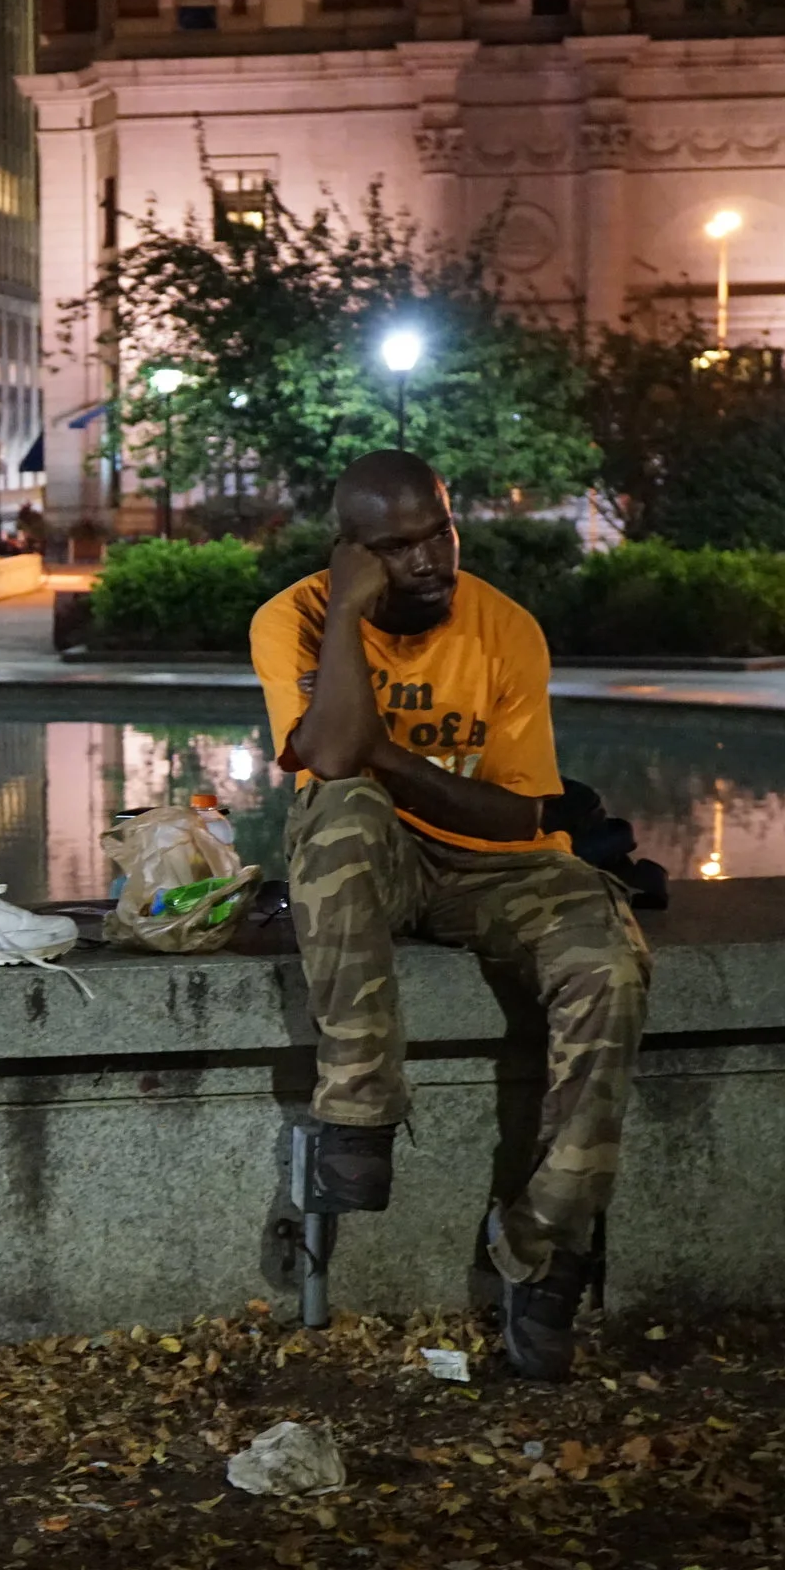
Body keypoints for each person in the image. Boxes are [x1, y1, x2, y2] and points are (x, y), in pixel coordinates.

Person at [249, 450, 651, 1381]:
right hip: (375, 860)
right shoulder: (295, 618)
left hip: (496, 866)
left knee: (612, 965)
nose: (430, 559)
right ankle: (359, 1104)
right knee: (341, 814)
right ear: (348, 552)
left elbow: (514, 814)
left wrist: (377, 751)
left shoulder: (505, 626)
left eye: (439, 531)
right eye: (396, 547)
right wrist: (349, 614)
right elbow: (336, 768)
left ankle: (543, 1243)